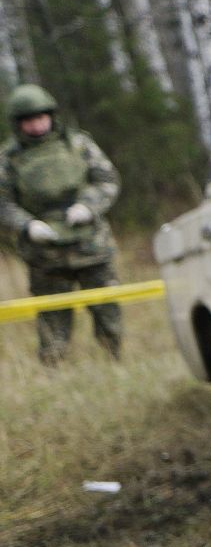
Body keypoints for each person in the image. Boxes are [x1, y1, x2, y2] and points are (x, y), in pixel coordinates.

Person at [1, 84, 124, 364]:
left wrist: (88, 207)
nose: (36, 124)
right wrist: (27, 225)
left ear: (51, 116)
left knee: (108, 311)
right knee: (52, 321)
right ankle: (54, 371)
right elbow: (3, 203)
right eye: (29, 120)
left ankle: (113, 361)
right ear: (19, 123)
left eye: (41, 117)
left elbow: (107, 180)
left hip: (91, 245)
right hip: (45, 255)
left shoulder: (79, 144)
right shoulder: (8, 160)